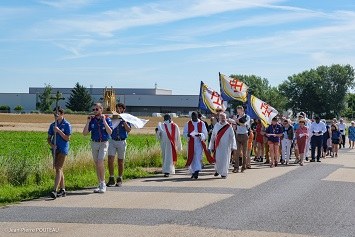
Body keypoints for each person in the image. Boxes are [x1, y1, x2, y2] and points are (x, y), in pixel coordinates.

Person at [83, 103, 113, 193]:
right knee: (97, 164)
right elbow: (84, 133)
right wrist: (87, 122)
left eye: (96, 109)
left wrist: (104, 121)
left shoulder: (107, 119)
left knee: (100, 161)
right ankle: (100, 183)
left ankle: (103, 183)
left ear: (101, 109)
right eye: (94, 109)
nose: (95, 111)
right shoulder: (92, 120)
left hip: (103, 142)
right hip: (94, 143)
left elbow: (110, 132)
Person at [47, 107, 72, 199]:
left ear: (62, 114)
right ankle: (63, 189)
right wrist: (51, 145)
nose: (55, 116)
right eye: (54, 114)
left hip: (63, 149)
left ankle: (54, 190)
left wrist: (59, 131)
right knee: (60, 169)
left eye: (57, 114)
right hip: (55, 149)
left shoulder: (67, 125)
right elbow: (49, 138)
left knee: (58, 168)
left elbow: (67, 138)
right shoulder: (52, 125)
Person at [107, 103, 131, 187]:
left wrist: (123, 122)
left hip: (122, 141)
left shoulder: (126, 118)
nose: (118, 110)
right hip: (112, 141)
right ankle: (111, 178)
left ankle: (120, 178)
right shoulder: (112, 118)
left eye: (120, 108)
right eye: (117, 108)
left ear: (123, 110)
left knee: (120, 161)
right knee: (110, 159)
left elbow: (128, 130)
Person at [209, 112, 237, 179]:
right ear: (219, 118)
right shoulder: (216, 126)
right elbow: (213, 136)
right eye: (221, 117)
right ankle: (218, 171)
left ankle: (224, 173)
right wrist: (211, 145)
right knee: (218, 159)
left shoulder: (229, 127)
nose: (223, 119)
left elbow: (232, 136)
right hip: (218, 145)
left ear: (226, 118)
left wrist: (233, 146)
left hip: (226, 146)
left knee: (225, 159)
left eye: (224, 117)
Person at [183, 111, 209, 179]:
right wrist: (187, 135)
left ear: (197, 116)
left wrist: (200, 134)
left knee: (197, 156)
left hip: (198, 143)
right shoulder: (188, 123)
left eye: (195, 117)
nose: (193, 118)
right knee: (192, 157)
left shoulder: (202, 123)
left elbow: (205, 134)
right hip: (191, 142)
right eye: (192, 117)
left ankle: (197, 171)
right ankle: (193, 171)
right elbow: (184, 133)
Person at [232, 106, 250, 173]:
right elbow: (234, 126)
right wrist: (233, 123)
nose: (238, 112)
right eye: (237, 111)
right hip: (238, 134)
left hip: (245, 135)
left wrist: (237, 121)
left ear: (242, 110)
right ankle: (236, 167)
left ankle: (244, 166)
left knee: (244, 152)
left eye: (239, 111)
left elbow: (244, 124)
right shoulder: (236, 116)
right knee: (237, 152)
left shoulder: (247, 117)